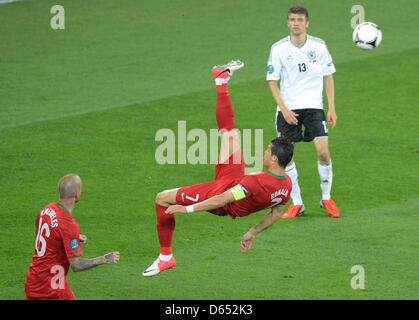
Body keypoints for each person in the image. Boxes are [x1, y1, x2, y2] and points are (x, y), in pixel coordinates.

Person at [142, 60, 294, 277]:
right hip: (234, 181)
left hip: (222, 196)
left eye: (268, 150)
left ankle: (166, 257)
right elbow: (277, 213)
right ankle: (221, 80)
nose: (265, 152)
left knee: (163, 198)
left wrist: (188, 209)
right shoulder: (286, 186)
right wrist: (252, 232)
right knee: (229, 133)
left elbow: (224, 199)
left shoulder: (254, 182)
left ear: (274, 158)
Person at [267, 5, 340, 218]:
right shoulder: (278, 48)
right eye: (292, 20)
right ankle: (297, 203)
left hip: (314, 107)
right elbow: (272, 82)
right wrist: (284, 109)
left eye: (299, 20)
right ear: (288, 23)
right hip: (288, 108)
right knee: (285, 157)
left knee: (323, 153)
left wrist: (332, 107)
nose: (295, 23)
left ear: (307, 22)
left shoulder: (319, 46)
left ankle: (326, 197)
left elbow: (328, 75)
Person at [25, 174, 120, 300]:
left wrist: (68, 238)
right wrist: (104, 259)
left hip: (36, 280)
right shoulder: (69, 225)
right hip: (49, 289)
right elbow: (76, 265)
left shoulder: (47, 210)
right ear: (76, 194)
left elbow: (40, 231)